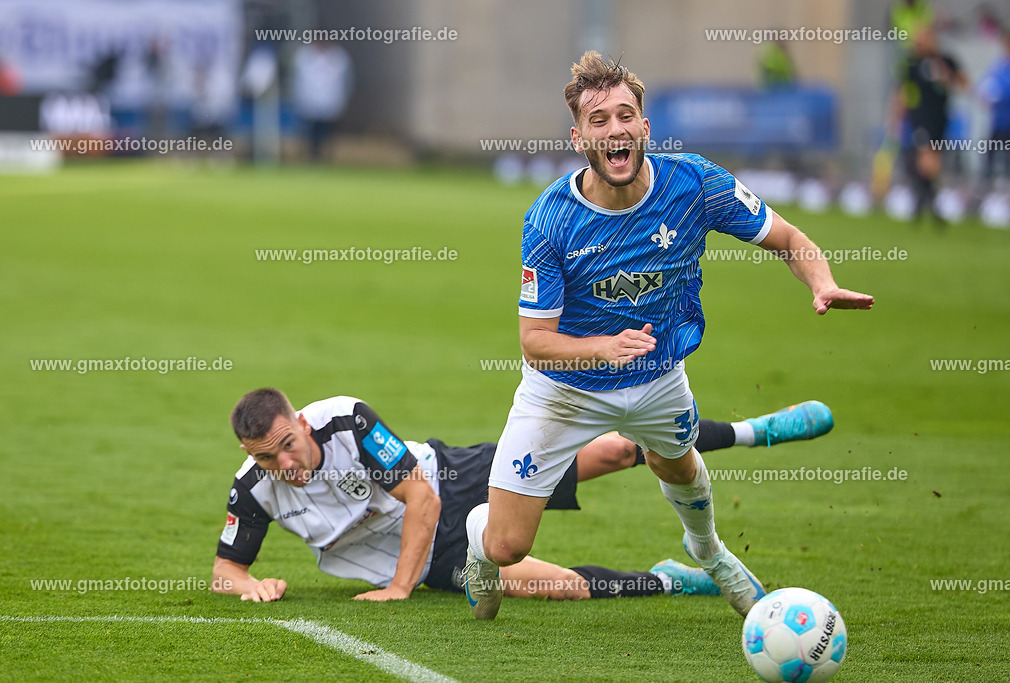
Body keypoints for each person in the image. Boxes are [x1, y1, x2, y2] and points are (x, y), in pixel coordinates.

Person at [461, 51, 873, 621]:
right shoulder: (550, 218)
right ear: (579, 136)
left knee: (676, 465)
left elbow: (787, 237)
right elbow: (535, 340)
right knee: (509, 547)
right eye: (599, 121)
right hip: (563, 388)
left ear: (645, 128)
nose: (615, 130)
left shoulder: (694, 184)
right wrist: (599, 349)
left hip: (658, 377)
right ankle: (478, 535)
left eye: (625, 116)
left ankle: (709, 552)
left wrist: (822, 282)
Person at [211, 388, 833, 603]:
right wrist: (251, 584)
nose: (284, 463)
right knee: (561, 586)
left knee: (618, 450)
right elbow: (224, 570)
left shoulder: (344, 419)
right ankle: (671, 579)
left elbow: (421, 499)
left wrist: (398, 589)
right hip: (436, 558)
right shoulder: (255, 488)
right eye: (267, 457)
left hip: (448, 479)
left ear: (298, 420)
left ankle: (755, 432)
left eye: (287, 444)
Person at [893, 26, 966, 222]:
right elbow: (902, 91)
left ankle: (923, 198)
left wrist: (946, 76)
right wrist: (896, 117)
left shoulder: (945, 61)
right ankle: (929, 203)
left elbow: (962, 83)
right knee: (926, 158)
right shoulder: (913, 63)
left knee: (933, 159)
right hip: (920, 117)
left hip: (940, 117)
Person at [290, 39, 353, 162]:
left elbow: (347, 80)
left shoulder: (339, 56)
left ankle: (325, 157)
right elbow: (295, 78)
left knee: (327, 133)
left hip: (330, 101)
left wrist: (344, 98)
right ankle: (308, 156)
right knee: (308, 132)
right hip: (308, 100)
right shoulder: (303, 55)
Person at [978, 29, 1010, 183]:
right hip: (997, 119)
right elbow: (985, 84)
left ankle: (1009, 184)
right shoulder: (999, 65)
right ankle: (987, 182)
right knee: (990, 151)